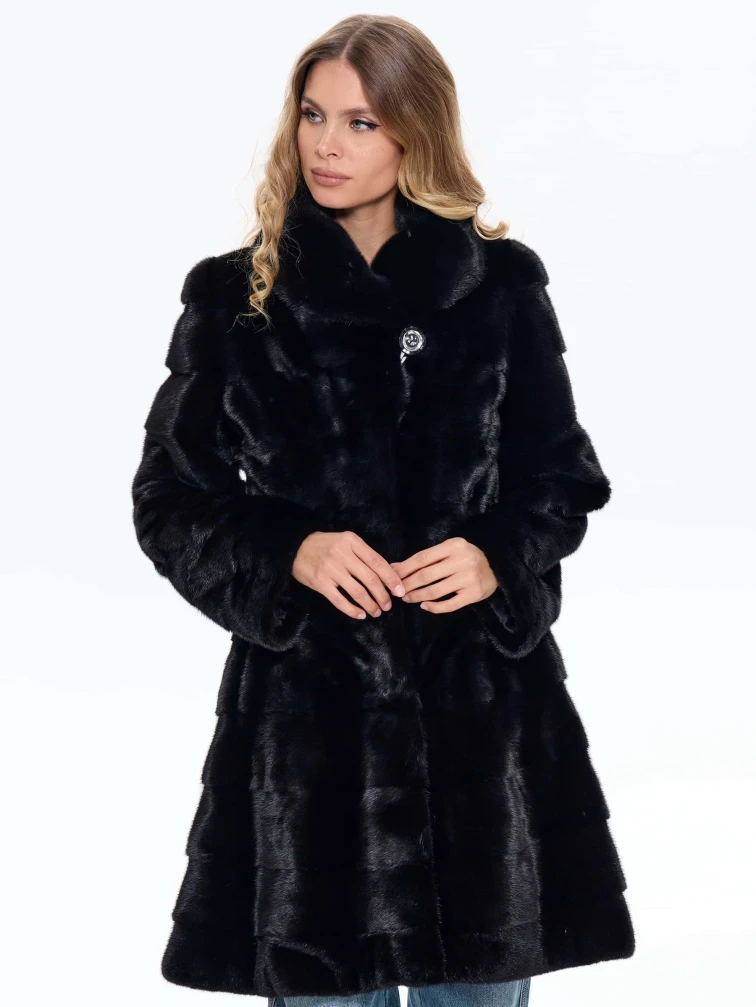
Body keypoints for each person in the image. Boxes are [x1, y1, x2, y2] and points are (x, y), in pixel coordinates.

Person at [131, 13, 635, 1006]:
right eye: (314, 114)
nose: (327, 143)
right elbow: (169, 499)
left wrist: (496, 555)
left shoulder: (498, 287)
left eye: (361, 122)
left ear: (416, 131)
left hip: (480, 736)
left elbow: (562, 479)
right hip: (311, 746)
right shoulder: (237, 298)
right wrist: (290, 549)